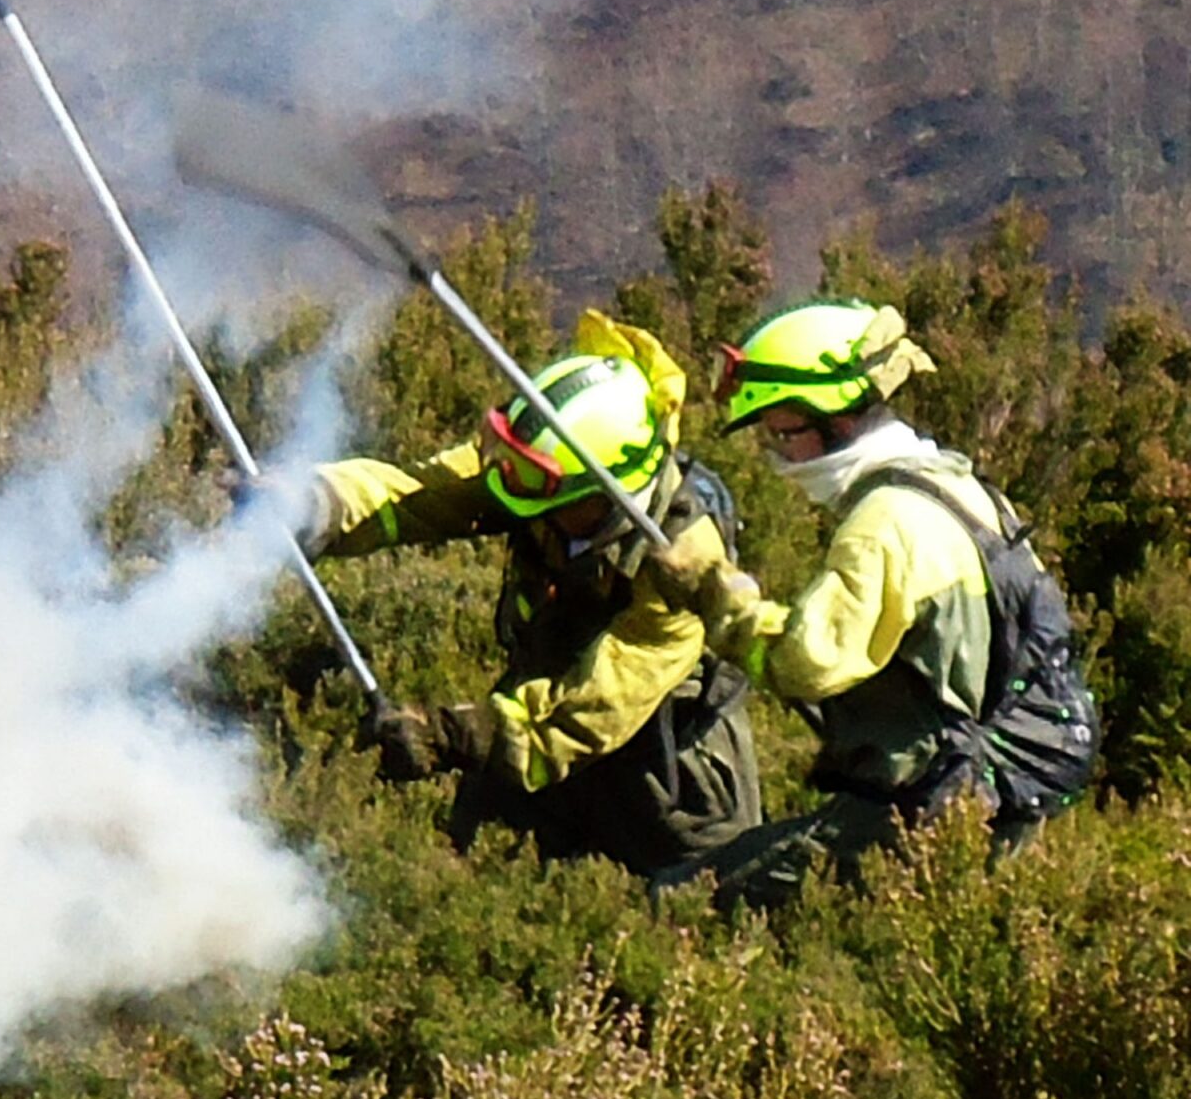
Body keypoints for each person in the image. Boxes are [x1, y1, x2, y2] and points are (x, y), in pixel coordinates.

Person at [650, 299, 1098, 909]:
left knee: (680, 898)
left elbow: (806, 664)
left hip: (935, 808)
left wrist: (717, 597)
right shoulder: (954, 484)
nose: (776, 455)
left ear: (831, 419)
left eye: (782, 432)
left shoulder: (884, 523)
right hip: (997, 795)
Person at [288, 310, 761, 877]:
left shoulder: (685, 564)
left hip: (666, 783)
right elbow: (417, 493)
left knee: (690, 920)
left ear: (605, 489)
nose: (505, 489)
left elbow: (592, 709)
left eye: (528, 479)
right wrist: (318, 502)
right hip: (531, 730)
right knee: (466, 886)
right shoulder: (537, 481)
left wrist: (448, 736)